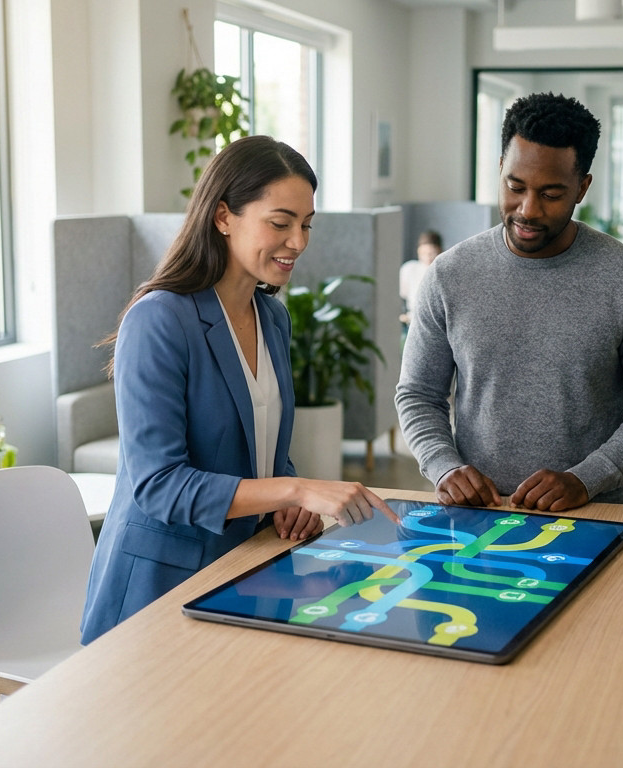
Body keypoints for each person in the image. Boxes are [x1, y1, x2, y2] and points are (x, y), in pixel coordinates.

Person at [81, 136, 397, 644]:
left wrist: (286, 496)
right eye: (280, 222)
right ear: (224, 216)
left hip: (246, 569)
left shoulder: (271, 317)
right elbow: (157, 484)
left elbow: (262, 445)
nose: (298, 241)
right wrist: (296, 489)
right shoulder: (159, 319)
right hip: (159, 592)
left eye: (306, 224)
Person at [395, 92, 623, 512]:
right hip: (477, 514)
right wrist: (444, 467)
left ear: (582, 187)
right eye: (515, 187)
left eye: (550, 194)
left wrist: (585, 480)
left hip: (591, 514)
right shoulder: (448, 275)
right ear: (500, 169)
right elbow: (418, 394)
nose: (527, 210)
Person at [399, 229, 443, 325]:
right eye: (424, 253)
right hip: (411, 320)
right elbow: (403, 294)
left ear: (440, 251)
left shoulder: (443, 272)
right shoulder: (409, 268)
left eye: (432, 253)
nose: (428, 257)